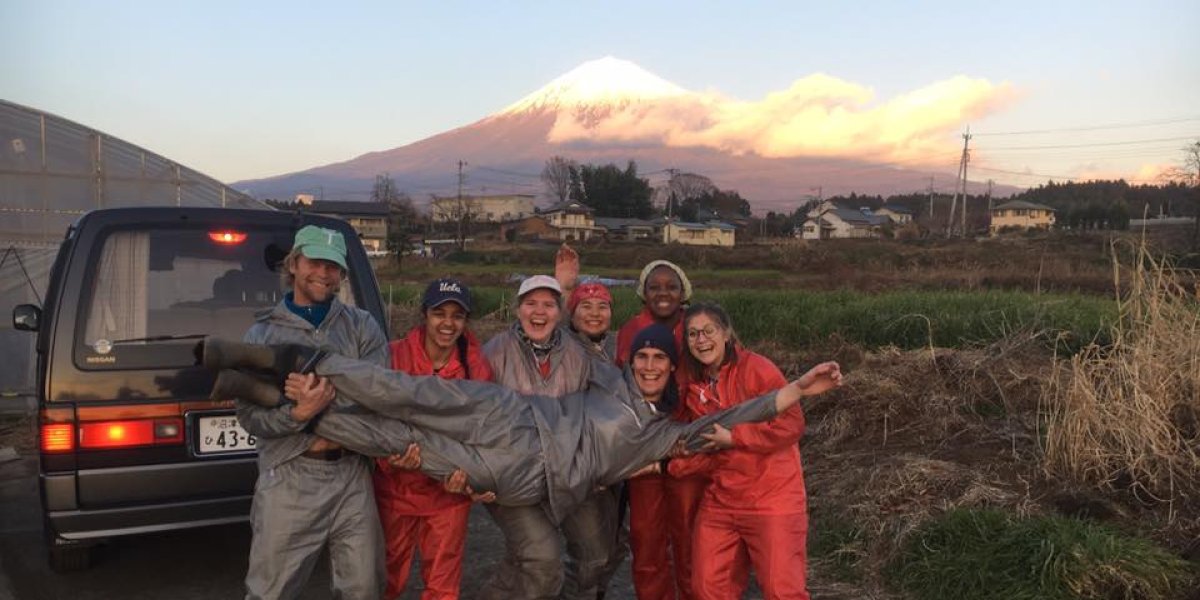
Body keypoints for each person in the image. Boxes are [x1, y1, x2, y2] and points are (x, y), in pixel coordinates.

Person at [202, 325, 843, 523]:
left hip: (525, 469)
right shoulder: (608, 374)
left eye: (657, 359)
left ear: (671, 373)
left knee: (397, 439)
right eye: (641, 355)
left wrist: (797, 388)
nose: (648, 365)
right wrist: (561, 285)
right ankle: (287, 363)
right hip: (511, 413)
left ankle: (272, 399)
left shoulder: (669, 433)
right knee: (409, 392)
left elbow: (741, 411)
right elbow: (563, 323)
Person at [233, 225, 389, 600]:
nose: (324, 273)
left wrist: (322, 401)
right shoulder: (262, 336)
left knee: (365, 587)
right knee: (272, 591)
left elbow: (381, 395)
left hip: (352, 475)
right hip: (290, 475)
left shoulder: (362, 326)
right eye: (316, 263)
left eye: (333, 267)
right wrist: (298, 415)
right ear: (294, 263)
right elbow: (250, 417)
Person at [479, 274, 615, 600]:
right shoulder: (493, 353)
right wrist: (481, 476)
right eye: (531, 304)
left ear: (560, 312)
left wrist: (595, 467)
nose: (539, 312)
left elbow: (592, 417)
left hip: (567, 474)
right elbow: (476, 418)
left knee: (596, 555)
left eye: (549, 305)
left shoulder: (578, 356)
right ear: (517, 309)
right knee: (542, 561)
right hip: (512, 477)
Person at [667, 303, 810, 600]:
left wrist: (735, 438)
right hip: (722, 499)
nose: (701, 340)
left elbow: (792, 425)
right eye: (693, 334)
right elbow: (708, 452)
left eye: (708, 331)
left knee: (781, 590)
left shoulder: (758, 368)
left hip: (773, 499)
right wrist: (677, 463)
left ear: (726, 333)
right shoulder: (695, 386)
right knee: (707, 587)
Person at [373, 279, 494, 600]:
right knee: (385, 577)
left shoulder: (475, 365)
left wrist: (469, 480)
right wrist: (387, 461)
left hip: (447, 496)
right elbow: (372, 416)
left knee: (442, 585)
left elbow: (481, 431)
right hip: (395, 489)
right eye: (440, 313)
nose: (448, 323)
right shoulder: (392, 355)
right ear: (424, 315)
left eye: (457, 315)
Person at [616, 260, 706, 600]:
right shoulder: (630, 330)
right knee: (646, 539)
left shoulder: (698, 326)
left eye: (671, 286)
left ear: (683, 291)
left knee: (688, 538)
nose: (663, 293)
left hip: (686, 446)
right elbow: (619, 385)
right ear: (643, 292)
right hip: (644, 450)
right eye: (655, 286)